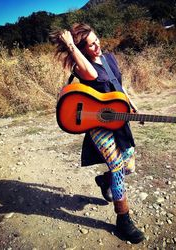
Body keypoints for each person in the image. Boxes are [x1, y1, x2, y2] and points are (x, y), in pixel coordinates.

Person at [51, 23, 145, 244]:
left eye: (97, 40)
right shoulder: (81, 66)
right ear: (82, 49)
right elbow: (93, 74)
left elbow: (118, 87)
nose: (97, 46)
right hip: (98, 125)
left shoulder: (110, 58)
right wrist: (71, 46)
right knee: (118, 168)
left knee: (129, 166)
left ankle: (105, 181)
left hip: (119, 118)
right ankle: (123, 221)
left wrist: (132, 105)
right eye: (91, 45)